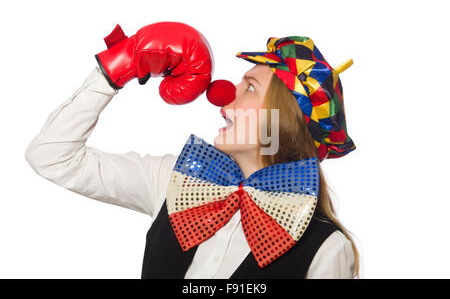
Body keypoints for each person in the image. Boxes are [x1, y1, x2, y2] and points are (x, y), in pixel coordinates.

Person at [25, 23, 360, 278]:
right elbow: (51, 156)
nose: (224, 95)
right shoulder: (175, 179)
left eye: (250, 88)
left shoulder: (328, 250)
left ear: (283, 121)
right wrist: (115, 69)